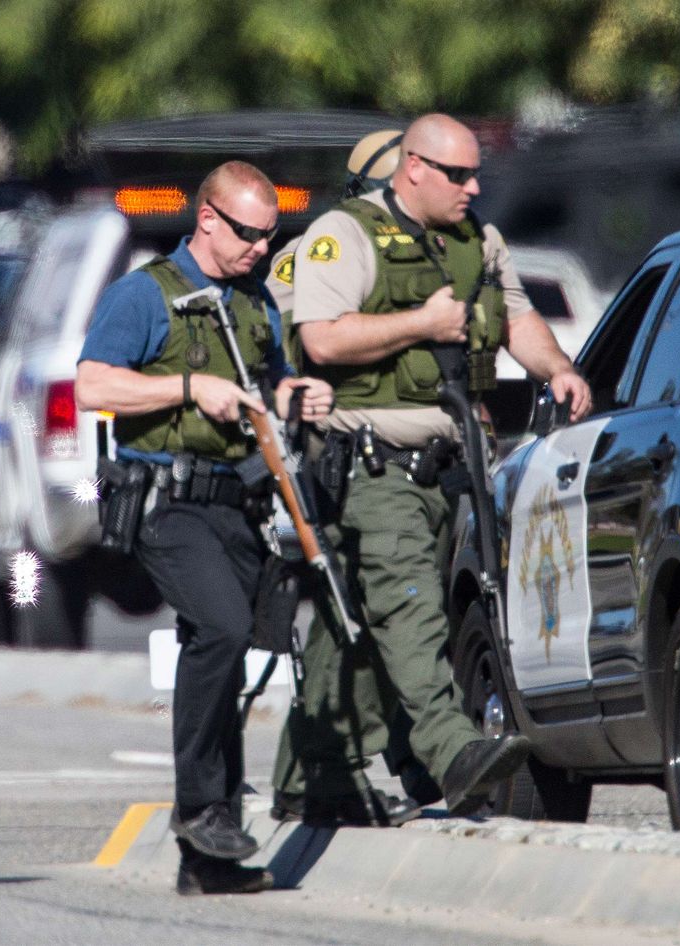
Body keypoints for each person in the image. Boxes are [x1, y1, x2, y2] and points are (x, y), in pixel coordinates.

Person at [278, 113, 592, 820]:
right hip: (371, 464)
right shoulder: (345, 235)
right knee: (413, 609)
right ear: (413, 167)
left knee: (357, 620)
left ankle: (309, 773)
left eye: (476, 173)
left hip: (451, 465)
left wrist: (557, 371)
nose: (473, 187)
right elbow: (322, 339)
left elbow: (515, 318)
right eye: (458, 174)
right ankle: (454, 753)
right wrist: (421, 323)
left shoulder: (478, 240)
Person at [75, 160, 334, 895]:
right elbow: (93, 382)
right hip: (166, 501)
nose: (260, 248)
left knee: (230, 649)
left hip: (237, 505)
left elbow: (270, 379)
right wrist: (189, 387)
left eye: (271, 235)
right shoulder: (147, 294)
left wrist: (297, 393)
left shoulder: (254, 302)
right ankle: (199, 807)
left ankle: (209, 859)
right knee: (218, 628)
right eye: (249, 233)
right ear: (209, 219)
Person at [266, 127, 442, 827]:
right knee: (364, 616)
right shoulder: (319, 251)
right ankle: (355, 766)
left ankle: (339, 768)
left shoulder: (429, 246)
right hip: (337, 456)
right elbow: (286, 349)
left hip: (402, 456)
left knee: (373, 620)